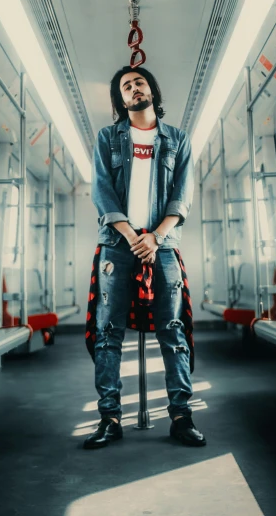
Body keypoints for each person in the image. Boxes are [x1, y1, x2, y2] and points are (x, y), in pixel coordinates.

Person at [83, 65, 206, 449]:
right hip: (117, 244)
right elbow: (103, 191)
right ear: (120, 101)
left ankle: (181, 416)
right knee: (107, 333)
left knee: (172, 330)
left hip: (163, 244)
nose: (134, 88)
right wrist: (133, 236)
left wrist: (154, 237)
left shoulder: (177, 140)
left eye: (139, 82)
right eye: (126, 86)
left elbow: (181, 197)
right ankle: (109, 418)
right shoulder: (108, 138)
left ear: (152, 89)